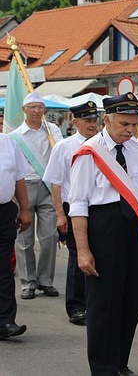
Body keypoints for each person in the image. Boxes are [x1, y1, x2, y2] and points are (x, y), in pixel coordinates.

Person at [68, 93, 138, 375]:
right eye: (123, 123)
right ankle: (103, 368)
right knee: (104, 305)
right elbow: (79, 204)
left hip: (136, 228)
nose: (130, 130)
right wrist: (83, 250)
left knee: (132, 299)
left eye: (133, 124)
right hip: (103, 228)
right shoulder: (90, 151)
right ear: (106, 119)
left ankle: (120, 363)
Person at [42, 101, 100, 325]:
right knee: (78, 255)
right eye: (87, 120)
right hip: (73, 207)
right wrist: (60, 214)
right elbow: (55, 183)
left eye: (95, 120)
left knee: (99, 253)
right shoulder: (64, 147)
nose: (92, 124)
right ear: (75, 122)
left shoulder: (103, 145)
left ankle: (95, 302)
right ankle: (77, 306)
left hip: (97, 207)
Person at [9, 91, 64, 300]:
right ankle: (28, 282)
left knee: (49, 237)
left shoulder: (53, 130)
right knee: (24, 239)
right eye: (32, 107)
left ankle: (45, 281)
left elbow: (60, 152)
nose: (36, 111)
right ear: (24, 110)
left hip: (48, 186)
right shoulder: (15, 136)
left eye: (40, 107)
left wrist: (55, 142)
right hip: (25, 186)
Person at [0, 133, 31, 340]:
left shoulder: (7, 142)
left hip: (4, 211)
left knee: (3, 267)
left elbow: (19, 177)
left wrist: (25, 209)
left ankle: (5, 321)